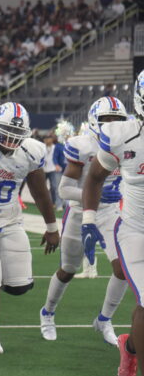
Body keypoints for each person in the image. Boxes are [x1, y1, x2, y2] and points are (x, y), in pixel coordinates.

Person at [0, 102, 59, 354]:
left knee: (18, 287)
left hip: (10, 219)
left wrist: (51, 226)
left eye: (17, 134)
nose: (10, 139)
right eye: (5, 132)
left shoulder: (30, 152)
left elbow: (40, 192)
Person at [82, 70, 144, 376]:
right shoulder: (122, 135)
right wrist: (89, 220)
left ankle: (130, 347)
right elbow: (94, 176)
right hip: (134, 228)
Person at [40, 97, 128, 344]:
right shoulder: (83, 146)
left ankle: (104, 319)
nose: (111, 125)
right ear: (93, 122)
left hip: (110, 212)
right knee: (68, 270)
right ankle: (47, 312)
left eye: (116, 120)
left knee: (121, 269)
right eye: (106, 120)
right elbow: (65, 189)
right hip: (79, 212)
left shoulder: (126, 144)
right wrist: (93, 195)